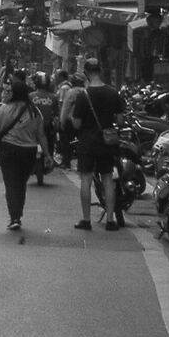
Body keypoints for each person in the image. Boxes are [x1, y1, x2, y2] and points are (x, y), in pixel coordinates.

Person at [73, 57, 125, 232]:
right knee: (108, 179)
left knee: (86, 179)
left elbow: (77, 124)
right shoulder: (112, 93)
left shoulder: (83, 95)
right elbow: (120, 119)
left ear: (86, 73)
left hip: (87, 142)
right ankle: (110, 220)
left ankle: (86, 220)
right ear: (100, 71)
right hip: (106, 142)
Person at [0, 78, 46, 236]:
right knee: (21, 183)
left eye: (9, 91)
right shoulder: (35, 112)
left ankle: (14, 217)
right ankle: (18, 214)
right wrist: (48, 155)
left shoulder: (4, 110)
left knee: (10, 184)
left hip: (8, 150)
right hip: (29, 152)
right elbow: (41, 136)